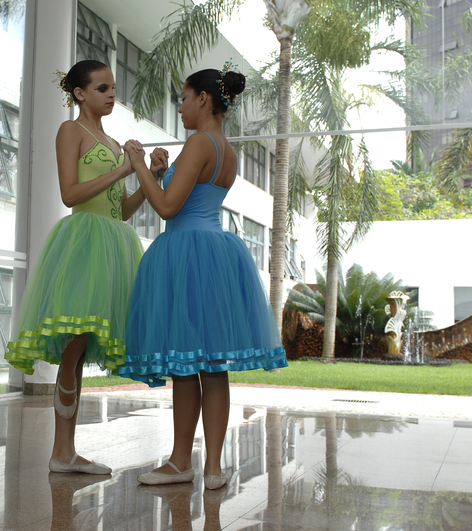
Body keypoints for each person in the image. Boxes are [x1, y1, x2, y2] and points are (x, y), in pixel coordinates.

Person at [119, 63, 288, 490]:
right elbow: (189, 199)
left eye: (182, 98)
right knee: (213, 367)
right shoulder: (226, 149)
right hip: (216, 254)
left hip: (185, 254)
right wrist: (159, 172)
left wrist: (139, 165)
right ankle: (213, 467)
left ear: (203, 98)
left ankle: (181, 461)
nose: (179, 107)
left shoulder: (198, 143)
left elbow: (168, 208)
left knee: (184, 365)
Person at [5, 60, 168, 474]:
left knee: (78, 351)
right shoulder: (70, 131)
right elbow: (70, 194)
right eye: (102, 88)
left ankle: (66, 452)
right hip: (84, 244)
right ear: (80, 93)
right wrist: (124, 168)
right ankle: (62, 452)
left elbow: (123, 210)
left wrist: (149, 176)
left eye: (112, 87)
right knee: (74, 345)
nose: (112, 94)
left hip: (114, 243)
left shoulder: (113, 142)